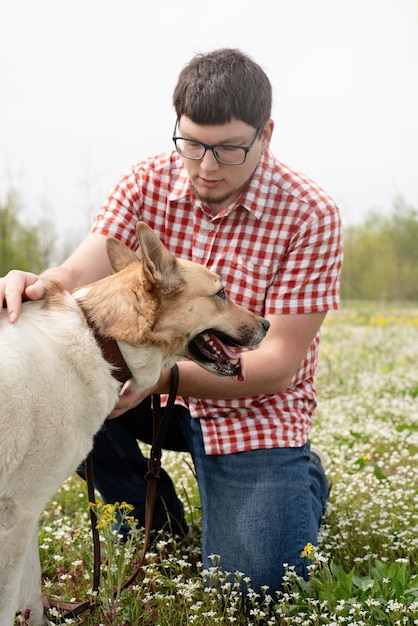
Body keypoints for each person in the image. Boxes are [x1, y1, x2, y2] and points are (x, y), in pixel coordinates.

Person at [0, 48, 343, 595]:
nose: (206, 167)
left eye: (229, 149)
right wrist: (32, 283)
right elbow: (75, 273)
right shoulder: (145, 181)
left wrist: (160, 378)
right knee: (75, 373)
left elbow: (276, 365)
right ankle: (152, 521)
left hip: (249, 406)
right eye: (192, 145)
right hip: (148, 389)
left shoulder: (311, 215)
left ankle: (298, 478)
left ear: (266, 134)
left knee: (256, 585)